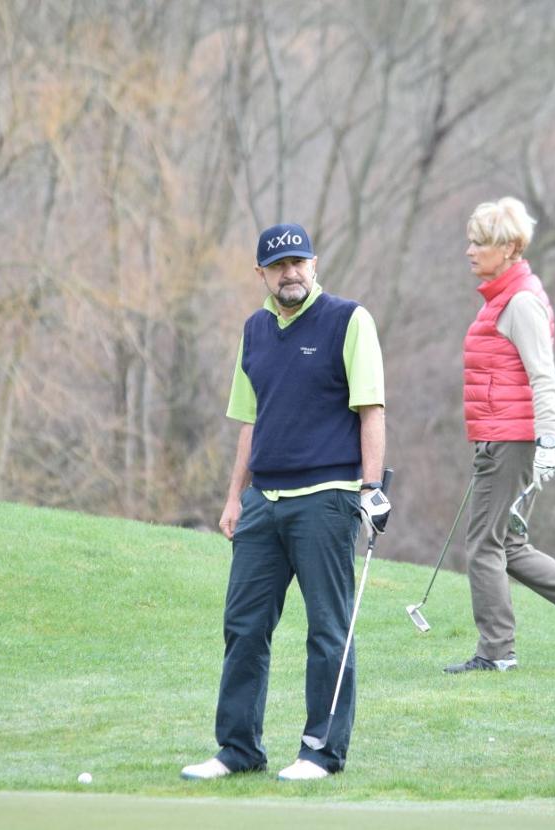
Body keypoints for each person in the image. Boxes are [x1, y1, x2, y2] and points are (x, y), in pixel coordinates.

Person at [181, 223, 389, 782]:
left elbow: (371, 409)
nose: (290, 273)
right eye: (278, 266)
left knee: (328, 630)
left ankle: (321, 752)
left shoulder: (349, 320)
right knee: (244, 627)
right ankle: (238, 748)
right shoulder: (254, 330)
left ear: (314, 264)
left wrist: (372, 491)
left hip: (326, 499)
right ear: (261, 275)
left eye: (298, 262)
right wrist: (234, 498)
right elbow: (251, 422)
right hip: (263, 502)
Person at [445, 197, 555, 674]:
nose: (469, 250)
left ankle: (496, 653)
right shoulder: (506, 297)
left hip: (511, 442)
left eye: (479, 242)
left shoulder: (520, 302)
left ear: (507, 248)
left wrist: (546, 443)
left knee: (483, 546)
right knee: (506, 544)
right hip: (503, 438)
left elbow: (543, 378)